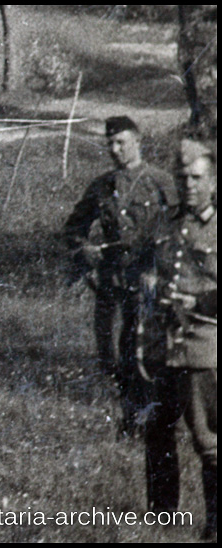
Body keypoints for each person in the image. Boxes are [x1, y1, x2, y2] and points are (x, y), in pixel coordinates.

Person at [63, 116, 177, 438]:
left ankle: (149, 419)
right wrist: (84, 248)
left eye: (121, 142)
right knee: (113, 354)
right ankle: (131, 414)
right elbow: (74, 227)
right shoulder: (101, 186)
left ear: (138, 140)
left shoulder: (161, 182)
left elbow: (181, 233)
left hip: (150, 283)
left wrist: (157, 269)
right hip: (112, 284)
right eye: (110, 143)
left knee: (147, 352)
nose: (115, 150)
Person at [143, 138, 216, 540]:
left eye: (196, 177)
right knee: (157, 429)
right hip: (163, 346)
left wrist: (201, 297)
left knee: (210, 440)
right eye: (181, 177)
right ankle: (161, 518)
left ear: (213, 180)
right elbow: (146, 262)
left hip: (204, 345)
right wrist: (147, 278)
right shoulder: (165, 221)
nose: (188, 184)